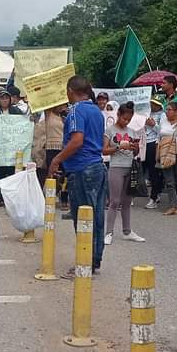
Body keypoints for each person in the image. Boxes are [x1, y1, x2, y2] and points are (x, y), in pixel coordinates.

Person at [49, 76, 106, 277]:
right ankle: (94, 260)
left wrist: (56, 160)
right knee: (96, 215)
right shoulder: (97, 112)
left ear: (71, 90)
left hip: (82, 169)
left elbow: (77, 141)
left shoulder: (76, 110)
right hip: (97, 167)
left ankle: (85, 263)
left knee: (83, 217)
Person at [142, 98, 164, 209]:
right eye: (151, 103)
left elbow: (163, 131)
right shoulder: (144, 113)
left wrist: (153, 125)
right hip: (142, 143)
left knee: (153, 172)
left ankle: (154, 197)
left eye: (155, 103)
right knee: (140, 170)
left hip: (153, 144)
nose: (153, 105)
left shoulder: (163, 115)